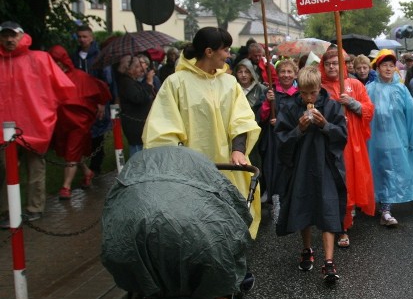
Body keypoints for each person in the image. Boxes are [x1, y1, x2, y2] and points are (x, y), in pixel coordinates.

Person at [142, 27, 262, 237]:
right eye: (225, 50)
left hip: (229, 167)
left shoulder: (229, 82)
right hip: (190, 172)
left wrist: (239, 150)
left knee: (234, 219)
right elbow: (163, 129)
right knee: (197, 226)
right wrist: (178, 164)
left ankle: (237, 267)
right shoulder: (176, 83)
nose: (228, 55)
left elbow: (241, 119)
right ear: (209, 52)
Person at [274, 66, 347, 282]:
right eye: (304, 93)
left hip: (326, 164)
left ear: (319, 87)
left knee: (328, 207)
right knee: (303, 205)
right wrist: (299, 130)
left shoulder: (332, 106)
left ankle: (329, 261)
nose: (308, 97)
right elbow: (281, 140)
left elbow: (342, 135)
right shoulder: (288, 107)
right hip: (301, 166)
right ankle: (307, 249)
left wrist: (325, 125)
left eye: (313, 92)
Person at [0, 22, 75, 222]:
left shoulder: (40, 59)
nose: (9, 39)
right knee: (7, 171)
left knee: (35, 169)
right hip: (4, 129)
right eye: (5, 35)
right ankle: (8, 211)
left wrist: (47, 110)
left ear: (22, 36)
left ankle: (34, 208)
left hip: (34, 125)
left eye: (12, 35)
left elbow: (63, 88)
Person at [319, 48, 376, 247]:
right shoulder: (320, 88)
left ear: (343, 65)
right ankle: (334, 223)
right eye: (328, 64)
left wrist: (352, 103)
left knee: (350, 180)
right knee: (333, 182)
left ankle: (344, 224)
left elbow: (369, 109)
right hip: (329, 142)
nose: (332, 67)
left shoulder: (354, 84)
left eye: (336, 63)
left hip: (352, 142)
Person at [368, 51, 413, 225]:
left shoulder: (401, 89)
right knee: (379, 171)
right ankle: (379, 203)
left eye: (391, 65)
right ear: (377, 68)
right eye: (384, 65)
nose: (388, 69)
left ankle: (385, 209)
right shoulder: (370, 89)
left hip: (397, 139)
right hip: (376, 141)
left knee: (391, 171)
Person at [48, 45, 111, 199]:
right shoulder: (50, 77)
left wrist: (101, 104)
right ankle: (87, 172)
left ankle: (66, 186)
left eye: (58, 61)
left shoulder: (80, 76)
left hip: (79, 123)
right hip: (62, 123)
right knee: (70, 152)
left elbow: (100, 88)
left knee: (71, 152)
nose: (56, 65)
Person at [71, 24, 112, 179]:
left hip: (96, 100)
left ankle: (96, 167)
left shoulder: (99, 56)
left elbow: (105, 80)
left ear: (91, 37)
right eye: (79, 37)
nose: (82, 40)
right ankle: (83, 168)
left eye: (85, 36)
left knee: (97, 135)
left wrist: (102, 101)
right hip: (80, 100)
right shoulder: (74, 56)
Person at [260, 58, 299, 204]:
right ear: (277, 74)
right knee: (272, 165)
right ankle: (271, 192)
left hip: (290, 137)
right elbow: (262, 116)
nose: (286, 75)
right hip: (273, 138)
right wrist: (267, 103)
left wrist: (282, 122)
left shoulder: (298, 95)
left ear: (295, 75)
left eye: (290, 72)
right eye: (283, 71)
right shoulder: (271, 93)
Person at [116, 55, 156, 158]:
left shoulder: (132, 81)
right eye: (137, 66)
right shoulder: (127, 82)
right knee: (138, 155)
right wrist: (149, 83)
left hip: (139, 124)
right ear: (130, 69)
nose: (141, 69)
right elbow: (138, 98)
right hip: (135, 126)